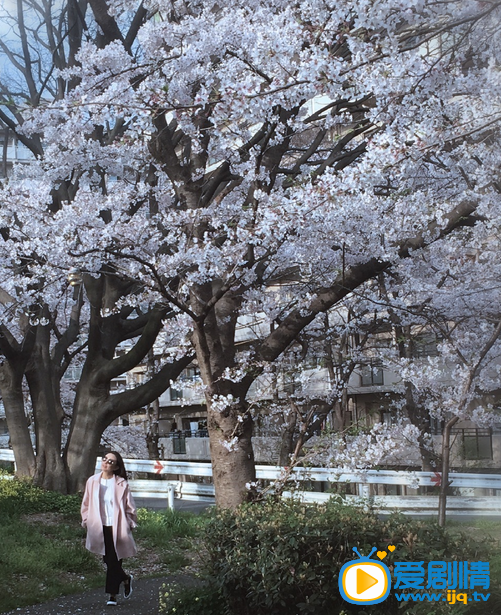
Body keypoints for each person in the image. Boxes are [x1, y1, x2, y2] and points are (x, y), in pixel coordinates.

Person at [81, 451, 137, 606]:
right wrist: (86, 520)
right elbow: (85, 504)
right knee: (108, 559)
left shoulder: (121, 483)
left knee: (115, 560)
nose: (106, 462)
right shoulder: (92, 481)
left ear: (116, 466)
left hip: (117, 526)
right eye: (104, 459)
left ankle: (112, 596)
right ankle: (125, 579)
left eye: (110, 461)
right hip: (99, 526)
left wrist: (131, 523)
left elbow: (130, 507)